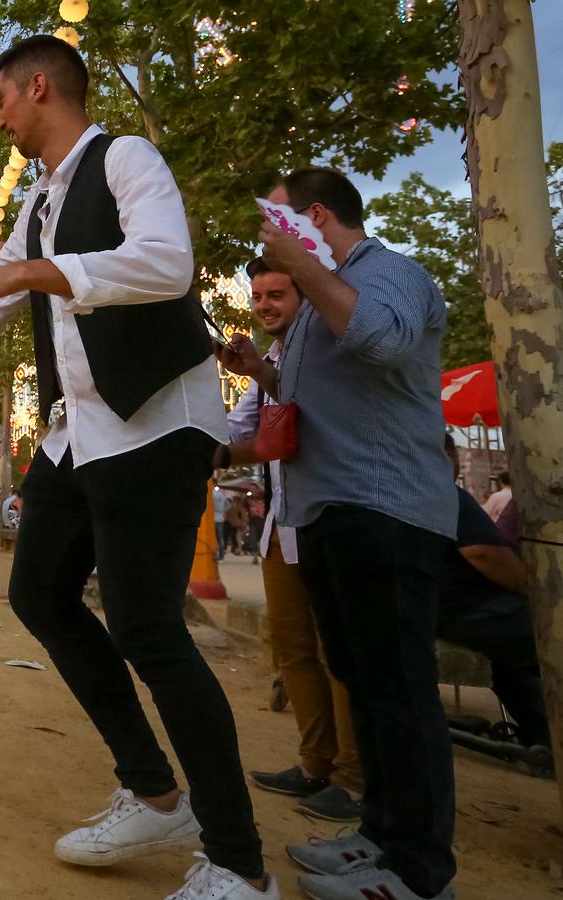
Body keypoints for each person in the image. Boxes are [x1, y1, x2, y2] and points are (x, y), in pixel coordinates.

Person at [0, 36, 273, 899]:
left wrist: (37, 270)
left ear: (37, 87)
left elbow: (168, 263)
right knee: (38, 592)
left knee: (147, 628)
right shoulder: (40, 203)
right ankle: (155, 791)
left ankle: (239, 864)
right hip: (81, 431)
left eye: (2, 99)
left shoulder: (127, 157)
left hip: (159, 420)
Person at [222, 168, 457, 900]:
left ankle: (421, 874)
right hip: (327, 513)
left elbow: (384, 340)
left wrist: (299, 268)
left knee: (401, 691)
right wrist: (260, 370)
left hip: (385, 511)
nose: (268, 239)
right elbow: (308, 397)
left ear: (314, 217)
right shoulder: (318, 306)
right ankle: (381, 837)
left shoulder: (392, 275)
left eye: (276, 224)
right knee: (366, 682)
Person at [218, 257, 363, 824]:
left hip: (330, 517)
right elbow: (242, 434)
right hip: (283, 523)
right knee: (294, 649)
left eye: (276, 294)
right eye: (257, 296)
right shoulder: (274, 358)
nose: (263, 306)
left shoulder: (329, 349)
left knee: (338, 652)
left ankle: (354, 777)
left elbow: (313, 421)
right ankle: (315, 764)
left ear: (306, 296)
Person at [439, 433, 549, 750]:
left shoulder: (407, 496)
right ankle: (543, 731)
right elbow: (483, 552)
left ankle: (539, 730)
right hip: (470, 607)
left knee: (510, 652)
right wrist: (530, 590)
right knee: (539, 633)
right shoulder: (449, 496)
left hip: (443, 608)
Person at [213, 484, 231, 561]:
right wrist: (224, 510)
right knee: (221, 538)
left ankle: (215, 554)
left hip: (213, 518)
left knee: (214, 537)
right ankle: (221, 556)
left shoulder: (212, 495)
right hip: (221, 518)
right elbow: (229, 505)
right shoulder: (223, 496)